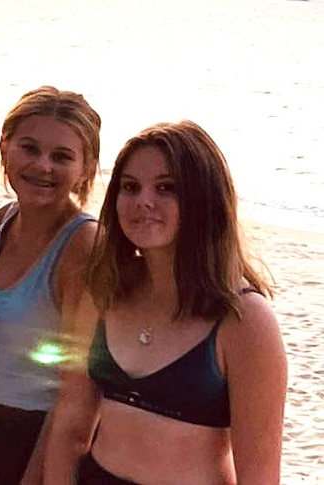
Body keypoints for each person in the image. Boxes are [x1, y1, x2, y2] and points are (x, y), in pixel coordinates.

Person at [40, 120, 287, 483]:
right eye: (130, 186)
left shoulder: (245, 319)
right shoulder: (105, 289)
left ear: (203, 201)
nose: (144, 201)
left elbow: (260, 478)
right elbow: (72, 418)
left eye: (166, 188)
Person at [0, 86, 101, 484]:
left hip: (36, 438)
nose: (43, 166)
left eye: (61, 156)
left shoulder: (84, 245)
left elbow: (79, 395)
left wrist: (38, 476)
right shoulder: (3, 219)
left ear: (86, 168)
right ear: (5, 149)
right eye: (29, 148)